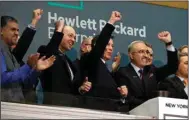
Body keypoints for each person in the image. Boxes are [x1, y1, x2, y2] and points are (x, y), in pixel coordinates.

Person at [0, 9, 55, 103]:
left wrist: (36, 70)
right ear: (1, 31)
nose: (17, 33)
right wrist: (27, 66)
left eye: (17, 30)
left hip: (17, 107)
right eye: (13, 29)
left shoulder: (12, 55)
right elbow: (2, 78)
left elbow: (25, 84)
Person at [115, 31, 178, 110]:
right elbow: (127, 98)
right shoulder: (123, 73)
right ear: (131, 55)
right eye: (141, 52)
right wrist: (149, 105)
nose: (145, 55)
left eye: (146, 52)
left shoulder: (152, 70)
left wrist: (168, 43)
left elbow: (172, 67)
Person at [78, 11, 128, 100]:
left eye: (112, 46)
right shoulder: (90, 59)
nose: (111, 48)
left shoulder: (106, 68)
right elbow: (100, 45)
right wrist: (111, 21)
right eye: (107, 44)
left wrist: (121, 94)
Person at [39, 20, 78, 105]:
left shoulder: (69, 61)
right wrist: (59, 28)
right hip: (53, 107)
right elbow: (52, 49)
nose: (73, 40)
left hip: (69, 108)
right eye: (70, 36)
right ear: (60, 35)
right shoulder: (46, 51)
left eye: (74, 37)